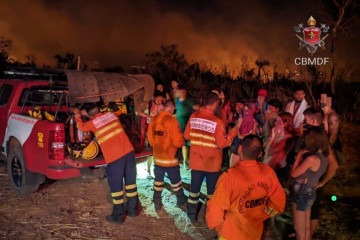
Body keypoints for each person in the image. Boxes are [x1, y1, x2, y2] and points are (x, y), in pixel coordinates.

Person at [206, 135, 286, 240]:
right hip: (254, 233)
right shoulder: (268, 172)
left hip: (231, 234)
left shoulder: (229, 177)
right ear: (260, 154)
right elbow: (278, 203)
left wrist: (216, 224)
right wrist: (261, 214)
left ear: (239, 149)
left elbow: (216, 207)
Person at [73, 103, 139, 224]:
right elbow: (119, 112)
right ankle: (132, 210)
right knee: (131, 184)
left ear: (89, 115)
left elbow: (81, 127)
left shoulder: (93, 123)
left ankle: (118, 216)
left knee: (116, 187)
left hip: (115, 158)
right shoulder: (111, 115)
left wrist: (77, 115)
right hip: (129, 153)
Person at [184, 92, 240, 224]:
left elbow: (187, 136)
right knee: (211, 193)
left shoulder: (193, 116)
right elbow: (223, 143)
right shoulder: (217, 122)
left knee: (194, 191)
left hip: (196, 162)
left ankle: (191, 215)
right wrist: (233, 132)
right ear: (215, 103)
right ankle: (209, 216)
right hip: (212, 164)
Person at [300, 108, 339, 237]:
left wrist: (322, 182)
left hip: (314, 183)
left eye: (305, 120)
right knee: (306, 209)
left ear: (311, 120)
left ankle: (308, 236)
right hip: (307, 183)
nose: (304, 122)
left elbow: (334, 165)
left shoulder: (322, 140)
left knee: (313, 211)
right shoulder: (310, 136)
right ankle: (303, 234)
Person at [147, 100, 187, 212]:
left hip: (158, 158)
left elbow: (150, 140)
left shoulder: (154, 120)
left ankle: (157, 201)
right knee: (176, 181)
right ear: (172, 108)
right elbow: (178, 142)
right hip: (170, 158)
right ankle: (181, 200)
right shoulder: (172, 121)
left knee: (158, 181)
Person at [290, 128, 329, 240]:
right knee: (306, 227)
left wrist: (299, 156)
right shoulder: (324, 157)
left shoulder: (312, 159)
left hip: (301, 192)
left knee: (299, 230)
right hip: (310, 191)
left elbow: (294, 173)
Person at [263, 112, 296, 186]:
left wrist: (276, 137)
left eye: (278, 121)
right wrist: (272, 137)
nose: (275, 123)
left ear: (285, 123)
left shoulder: (289, 138)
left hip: (278, 169)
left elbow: (273, 151)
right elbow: (265, 147)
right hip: (268, 164)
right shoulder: (277, 132)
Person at [175, 88, 199, 168]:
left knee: (190, 144)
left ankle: (191, 161)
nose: (181, 93)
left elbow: (197, 108)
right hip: (180, 126)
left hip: (189, 126)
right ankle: (185, 161)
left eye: (183, 92)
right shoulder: (177, 100)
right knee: (184, 144)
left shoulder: (189, 101)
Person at [321, 95, 342, 164]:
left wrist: (328, 146)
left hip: (332, 143)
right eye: (322, 103)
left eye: (324, 103)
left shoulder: (332, 115)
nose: (322, 105)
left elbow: (334, 134)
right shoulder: (325, 113)